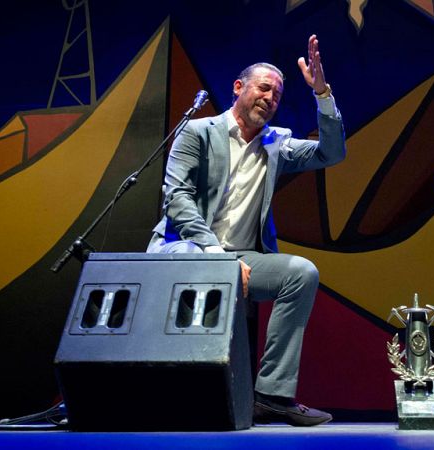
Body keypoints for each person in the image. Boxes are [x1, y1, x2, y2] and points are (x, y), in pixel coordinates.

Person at [147, 35, 345, 427]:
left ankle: (271, 395)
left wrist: (322, 93)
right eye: (264, 88)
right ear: (239, 88)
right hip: (186, 248)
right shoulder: (198, 132)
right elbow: (177, 197)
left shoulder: (277, 144)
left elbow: (331, 153)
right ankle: (184, 390)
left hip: (242, 257)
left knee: (301, 273)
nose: (271, 98)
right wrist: (215, 257)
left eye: (277, 94)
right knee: (191, 262)